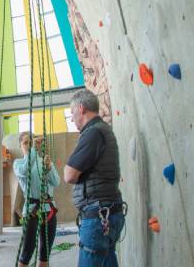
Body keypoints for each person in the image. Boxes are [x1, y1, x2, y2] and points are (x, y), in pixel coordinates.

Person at [64, 89, 125, 267]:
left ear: (81, 108)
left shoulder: (93, 133)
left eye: (72, 113)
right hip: (109, 212)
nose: (72, 118)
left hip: (98, 218)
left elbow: (69, 174)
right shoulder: (103, 130)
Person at [14, 133, 60, 267]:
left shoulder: (44, 161)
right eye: (26, 143)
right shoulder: (19, 163)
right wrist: (33, 150)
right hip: (31, 211)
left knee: (45, 252)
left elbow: (56, 182)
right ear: (20, 146)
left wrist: (50, 167)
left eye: (31, 143)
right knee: (28, 250)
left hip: (48, 209)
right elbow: (24, 171)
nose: (29, 146)